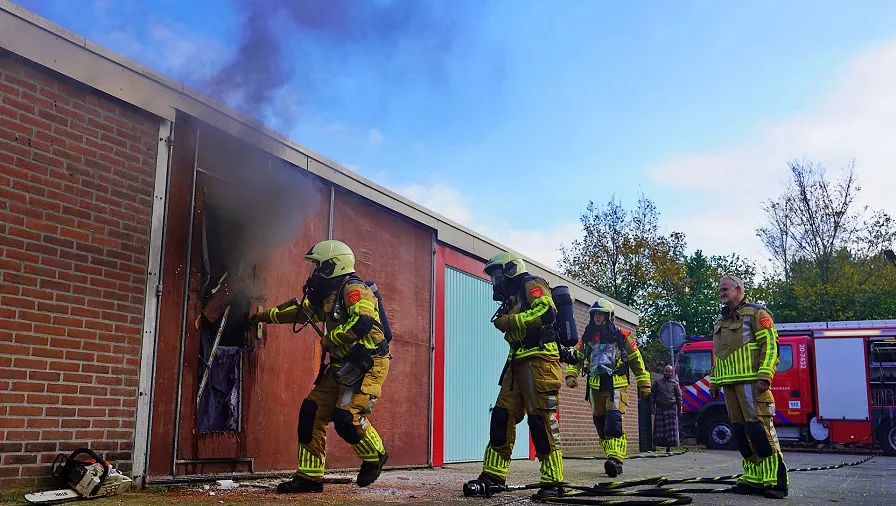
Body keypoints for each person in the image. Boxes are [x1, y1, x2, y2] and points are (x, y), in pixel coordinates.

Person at [250, 240, 391, 493]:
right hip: (342, 366)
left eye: (318, 265)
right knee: (311, 412)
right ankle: (309, 478)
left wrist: (331, 338)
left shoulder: (354, 290)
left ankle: (375, 455)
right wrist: (262, 316)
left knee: (347, 418)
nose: (315, 272)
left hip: (367, 364)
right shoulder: (329, 295)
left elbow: (364, 322)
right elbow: (299, 312)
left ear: (333, 266)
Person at [466, 251, 565, 499]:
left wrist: (511, 321)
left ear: (510, 270)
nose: (495, 281)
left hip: (540, 359)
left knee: (541, 421)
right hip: (517, 360)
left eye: (497, 275)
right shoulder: (510, 298)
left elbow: (547, 313)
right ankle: (493, 475)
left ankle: (553, 481)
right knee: (502, 416)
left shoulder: (531, 283)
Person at [709, 274, 789, 499]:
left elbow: (771, 345)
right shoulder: (720, 320)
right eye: (720, 290)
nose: (722, 292)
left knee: (760, 431)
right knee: (741, 433)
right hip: (729, 385)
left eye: (726, 289)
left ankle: (775, 480)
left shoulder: (757, 313)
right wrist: (714, 382)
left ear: (739, 289)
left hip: (753, 383)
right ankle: (753, 479)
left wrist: (765, 374)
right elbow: (718, 355)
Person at [565, 298, 651, 477]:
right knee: (600, 425)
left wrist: (644, 382)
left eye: (600, 314)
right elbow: (578, 357)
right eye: (594, 314)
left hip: (616, 385)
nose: (597, 317)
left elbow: (636, 359)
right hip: (595, 385)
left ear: (608, 315)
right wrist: (571, 373)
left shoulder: (622, 336)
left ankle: (616, 460)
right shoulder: (587, 336)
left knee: (613, 423)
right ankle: (611, 457)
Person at [651, 365, 682, 453]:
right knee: (658, 430)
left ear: (671, 373)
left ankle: (669, 448)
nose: (667, 373)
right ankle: (654, 446)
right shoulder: (658, 382)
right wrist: (652, 407)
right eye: (666, 371)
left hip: (671, 409)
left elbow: (679, 397)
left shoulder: (675, 384)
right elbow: (653, 395)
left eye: (669, 372)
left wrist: (680, 409)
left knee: (670, 431)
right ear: (663, 371)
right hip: (660, 408)